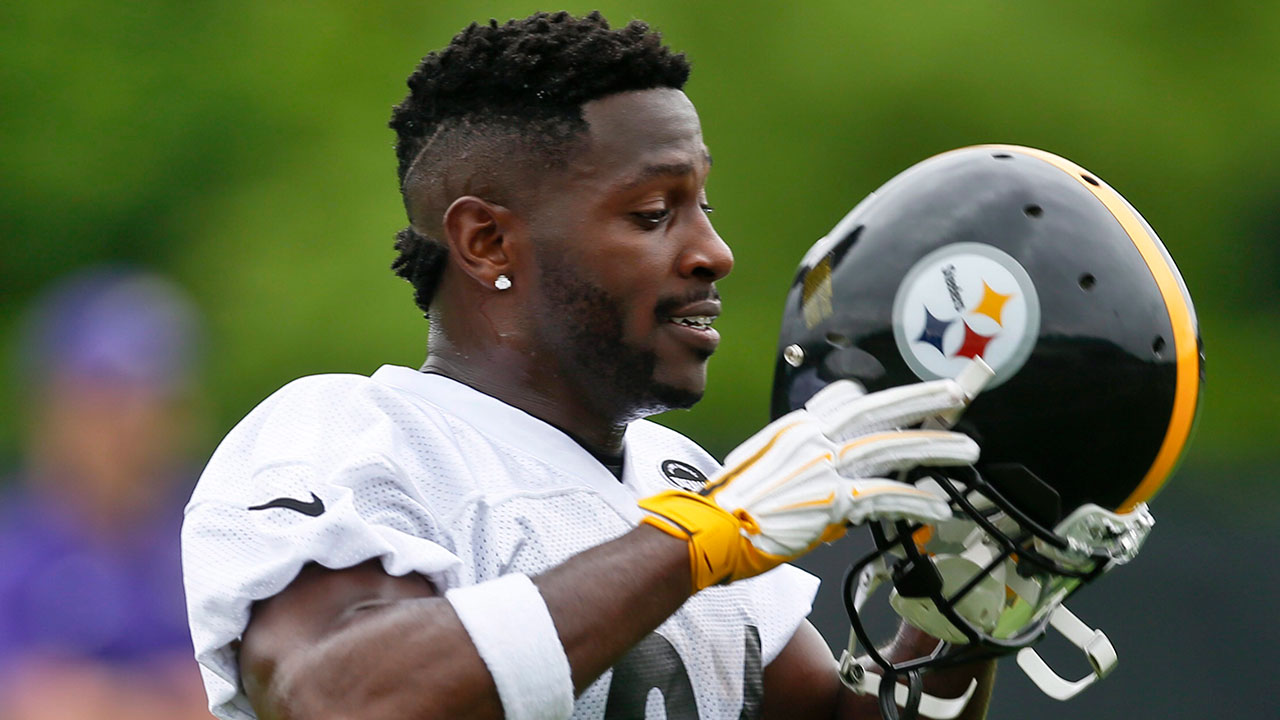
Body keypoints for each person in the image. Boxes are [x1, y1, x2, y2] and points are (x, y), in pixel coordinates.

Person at [181, 12, 996, 720]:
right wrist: (698, 539)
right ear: (487, 242)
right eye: (654, 212)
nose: (714, 252)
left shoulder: (679, 476)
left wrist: (967, 604)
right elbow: (340, 698)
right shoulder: (349, 433)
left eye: (703, 204)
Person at [0, 267, 210, 720]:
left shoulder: (216, 535)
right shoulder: (14, 552)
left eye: (155, 401)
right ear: (50, 406)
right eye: (109, 400)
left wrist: (101, 697)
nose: (133, 425)